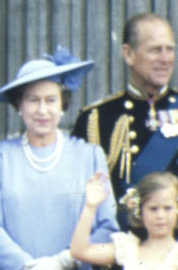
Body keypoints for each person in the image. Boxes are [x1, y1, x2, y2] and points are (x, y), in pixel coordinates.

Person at [0, 47, 119, 270]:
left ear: (63, 105)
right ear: (19, 105)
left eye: (51, 100)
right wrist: (29, 268)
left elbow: (108, 227)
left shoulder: (89, 156)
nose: (42, 110)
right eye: (33, 100)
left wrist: (61, 263)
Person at [72, 13, 178, 204]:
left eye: (169, 50)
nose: (165, 59)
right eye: (155, 50)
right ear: (129, 54)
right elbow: (78, 194)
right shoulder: (97, 118)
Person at [71, 171, 178, 270]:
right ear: (139, 211)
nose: (160, 215)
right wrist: (90, 207)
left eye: (167, 208)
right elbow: (80, 251)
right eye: (153, 209)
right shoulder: (128, 248)